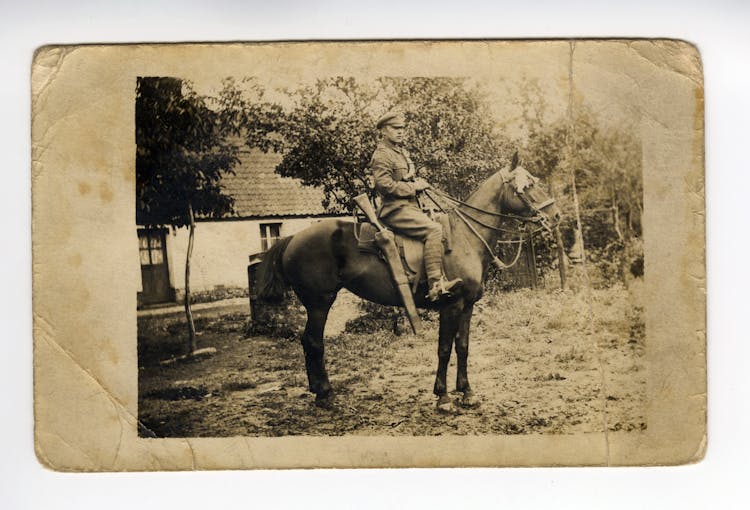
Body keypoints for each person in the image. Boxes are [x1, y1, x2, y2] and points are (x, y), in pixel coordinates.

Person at [369, 110, 462, 301]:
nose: (400, 132)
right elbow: (384, 185)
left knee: (445, 221)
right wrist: (413, 187)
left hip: (410, 207)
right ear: (383, 131)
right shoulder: (382, 155)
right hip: (394, 210)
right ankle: (436, 284)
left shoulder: (400, 152)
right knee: (435, 230)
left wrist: (417, 182)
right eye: (395, 128)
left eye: (402, 128)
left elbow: (404, 177)